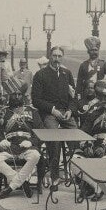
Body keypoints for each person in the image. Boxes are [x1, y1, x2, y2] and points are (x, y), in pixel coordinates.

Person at [0, 76, 42, 198]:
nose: (16, 97)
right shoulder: (2, 112)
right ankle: (22, 183)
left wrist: (31, 141)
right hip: (9, 147)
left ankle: (11, 186)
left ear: (22, 95)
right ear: (8, 96)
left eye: (19, 94)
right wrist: (0, 140)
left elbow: (40, 132)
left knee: (36, 155)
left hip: (27, 147)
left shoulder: (32, 112)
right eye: (13, 94)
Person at [72, 79, 106, 201]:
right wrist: (87, 145)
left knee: (105, 161)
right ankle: (96, 186)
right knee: (74, 161)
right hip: (93, 145)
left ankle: (105, 189)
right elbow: (84, 131)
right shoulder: (94, 112)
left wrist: (105, 147)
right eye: (104, 96)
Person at [30, 45, 77, 189]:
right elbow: (36, 100)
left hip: (65, 113)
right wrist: (53, 110)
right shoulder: (41, 75)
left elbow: (73, 98)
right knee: (54, 141)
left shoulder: (67, 74)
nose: (57, 59)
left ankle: (75, 173)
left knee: (77, 137)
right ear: (50, 56)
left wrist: (70, 110)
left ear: (62, 57)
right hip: (50, 114)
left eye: (59, 56)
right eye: (54, 56)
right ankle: (55, 176)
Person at [76, 36, 106, 103]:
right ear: (88, 52)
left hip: (99, 95)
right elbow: (79, 83)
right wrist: (78, 96)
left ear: (98, 51)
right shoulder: (83, 65)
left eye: (96, 50)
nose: (94, 52)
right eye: (92, 50)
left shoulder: (103, 64)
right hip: (86, 95)